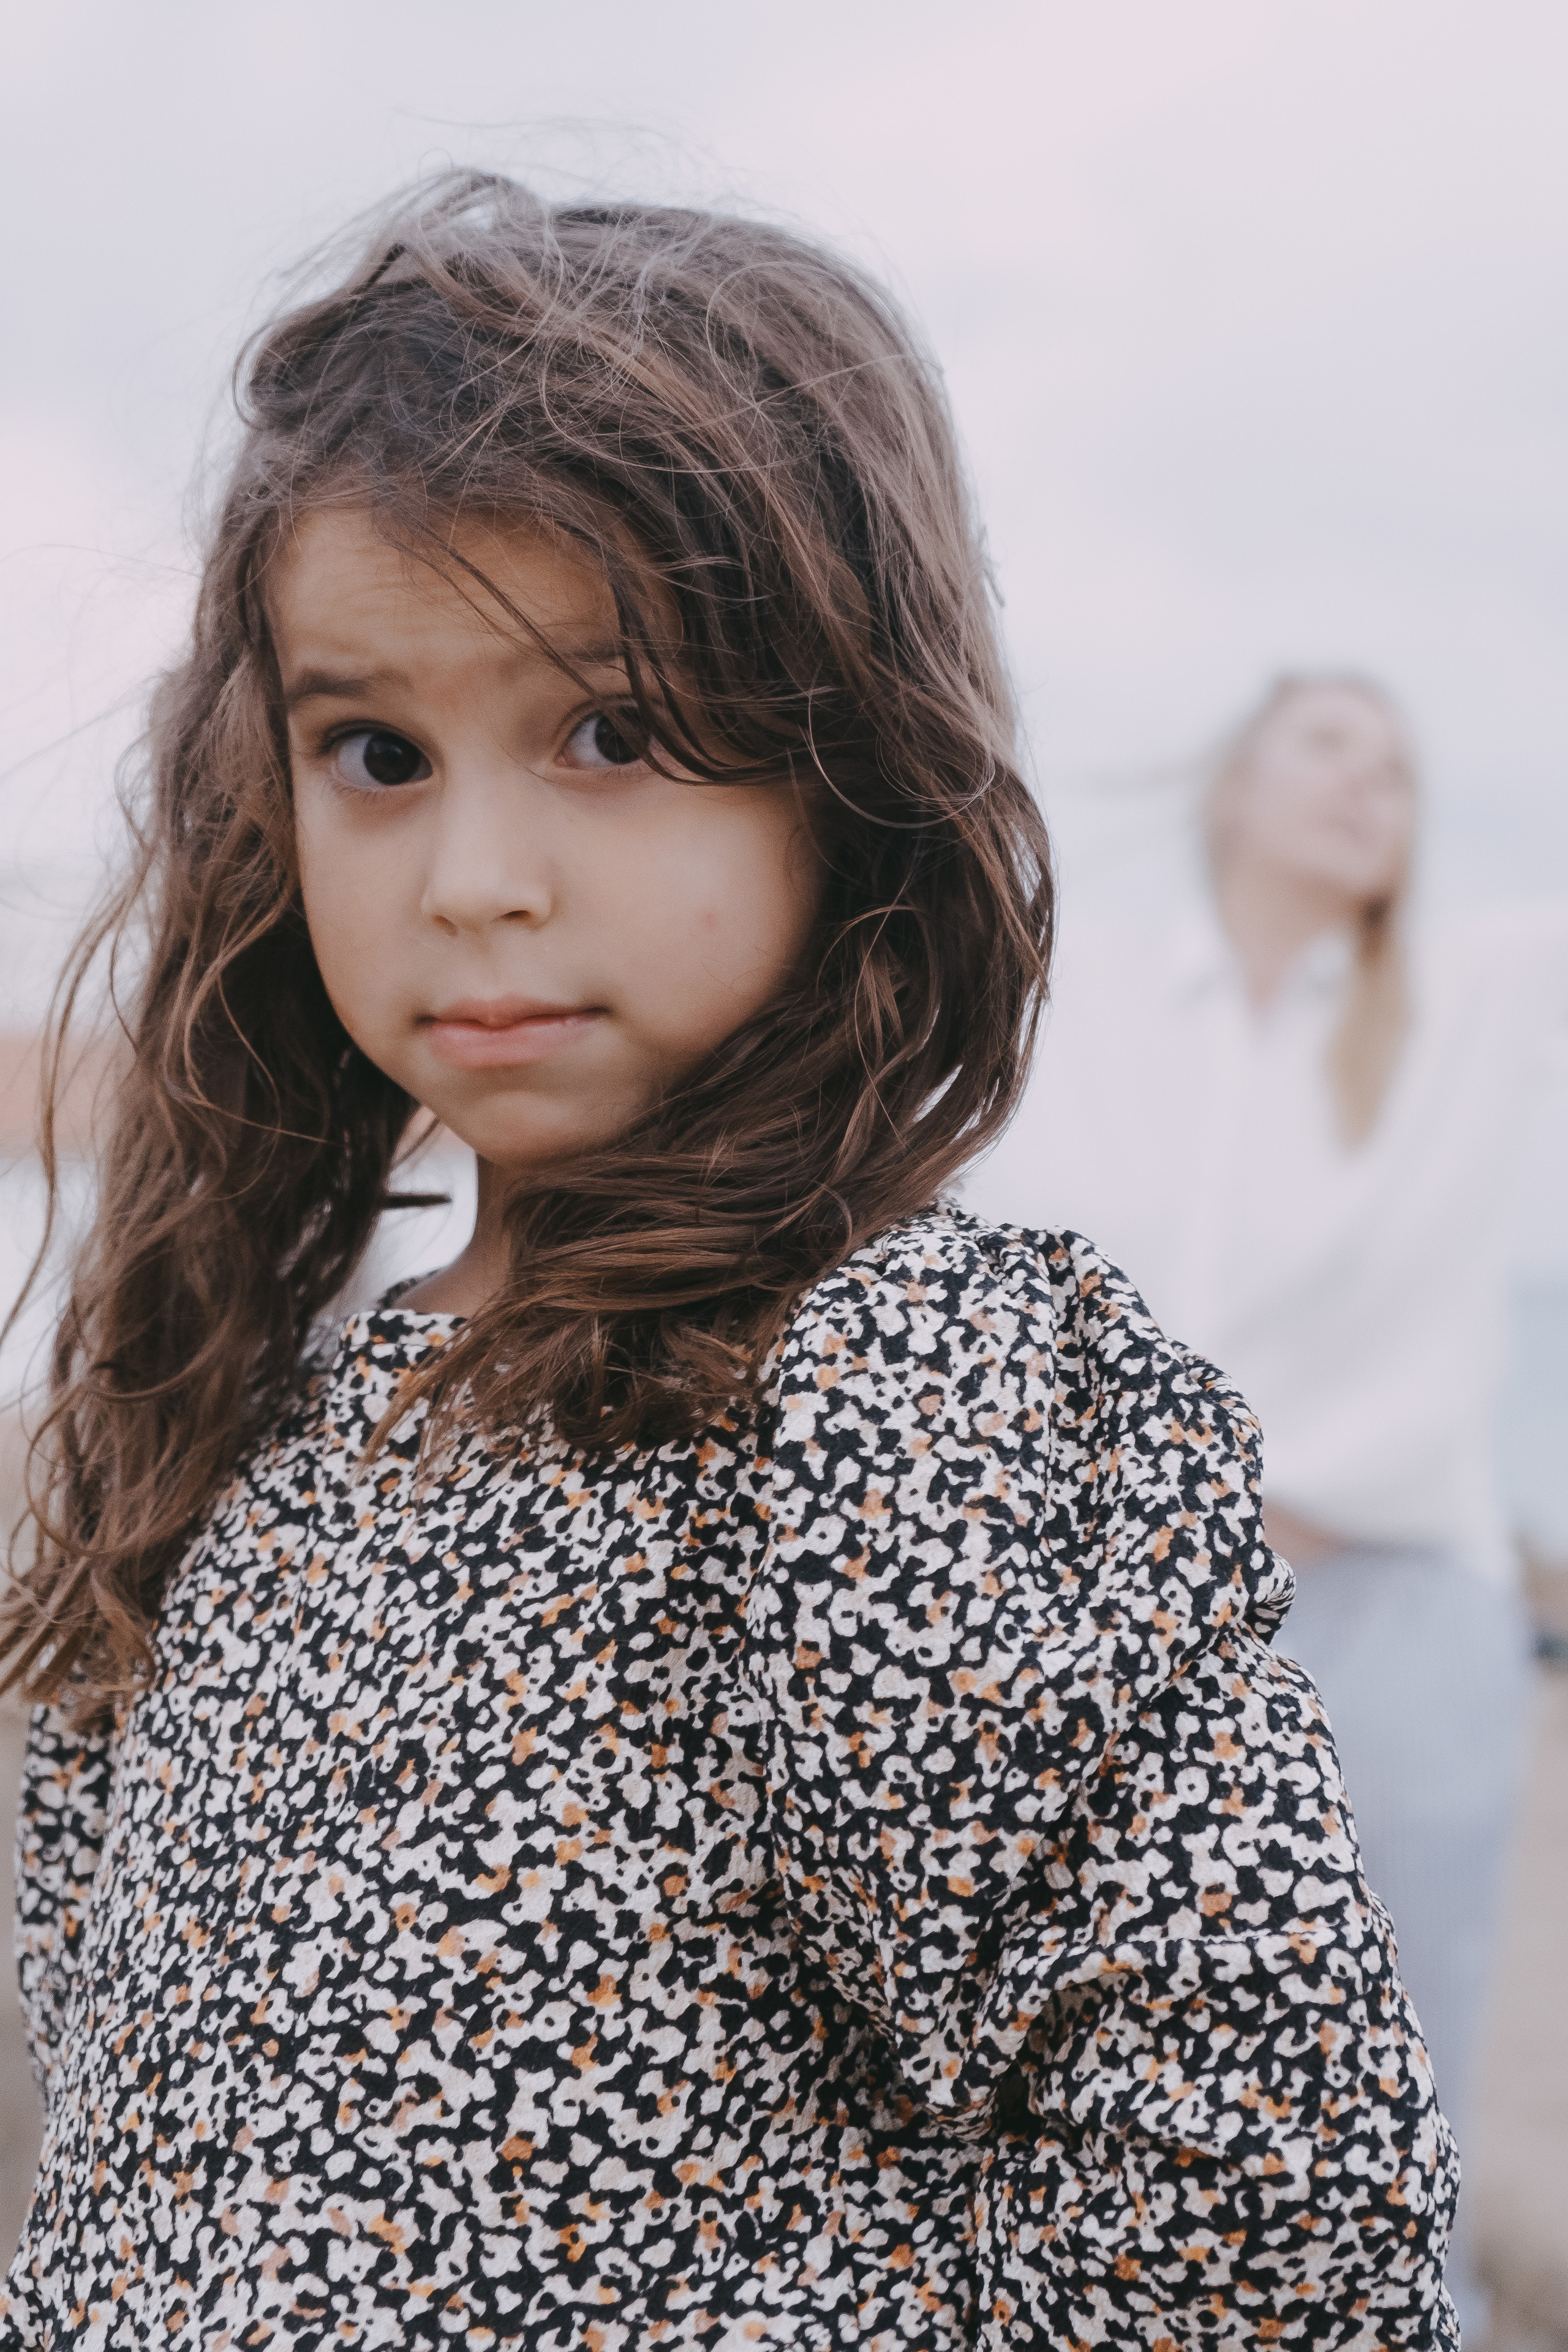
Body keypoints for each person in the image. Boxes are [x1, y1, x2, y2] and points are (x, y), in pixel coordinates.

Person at [0, 186, 1456, 2350]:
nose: (477, 880)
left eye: (613, 732)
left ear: (850, 766)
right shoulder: (230, 1414)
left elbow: (1262, 2214)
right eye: (375, 754)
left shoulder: (911, 1389)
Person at [970, 671, 1568, 2340]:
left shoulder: (1471, 998)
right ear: (1235, 780)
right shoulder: (1071, 1001)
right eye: (1329, 744)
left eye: (1400, 767)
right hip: (1111, 1620)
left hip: (1395, 1611)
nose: (1369, 783)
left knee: (1395, 2089)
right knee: (1091, 2068)